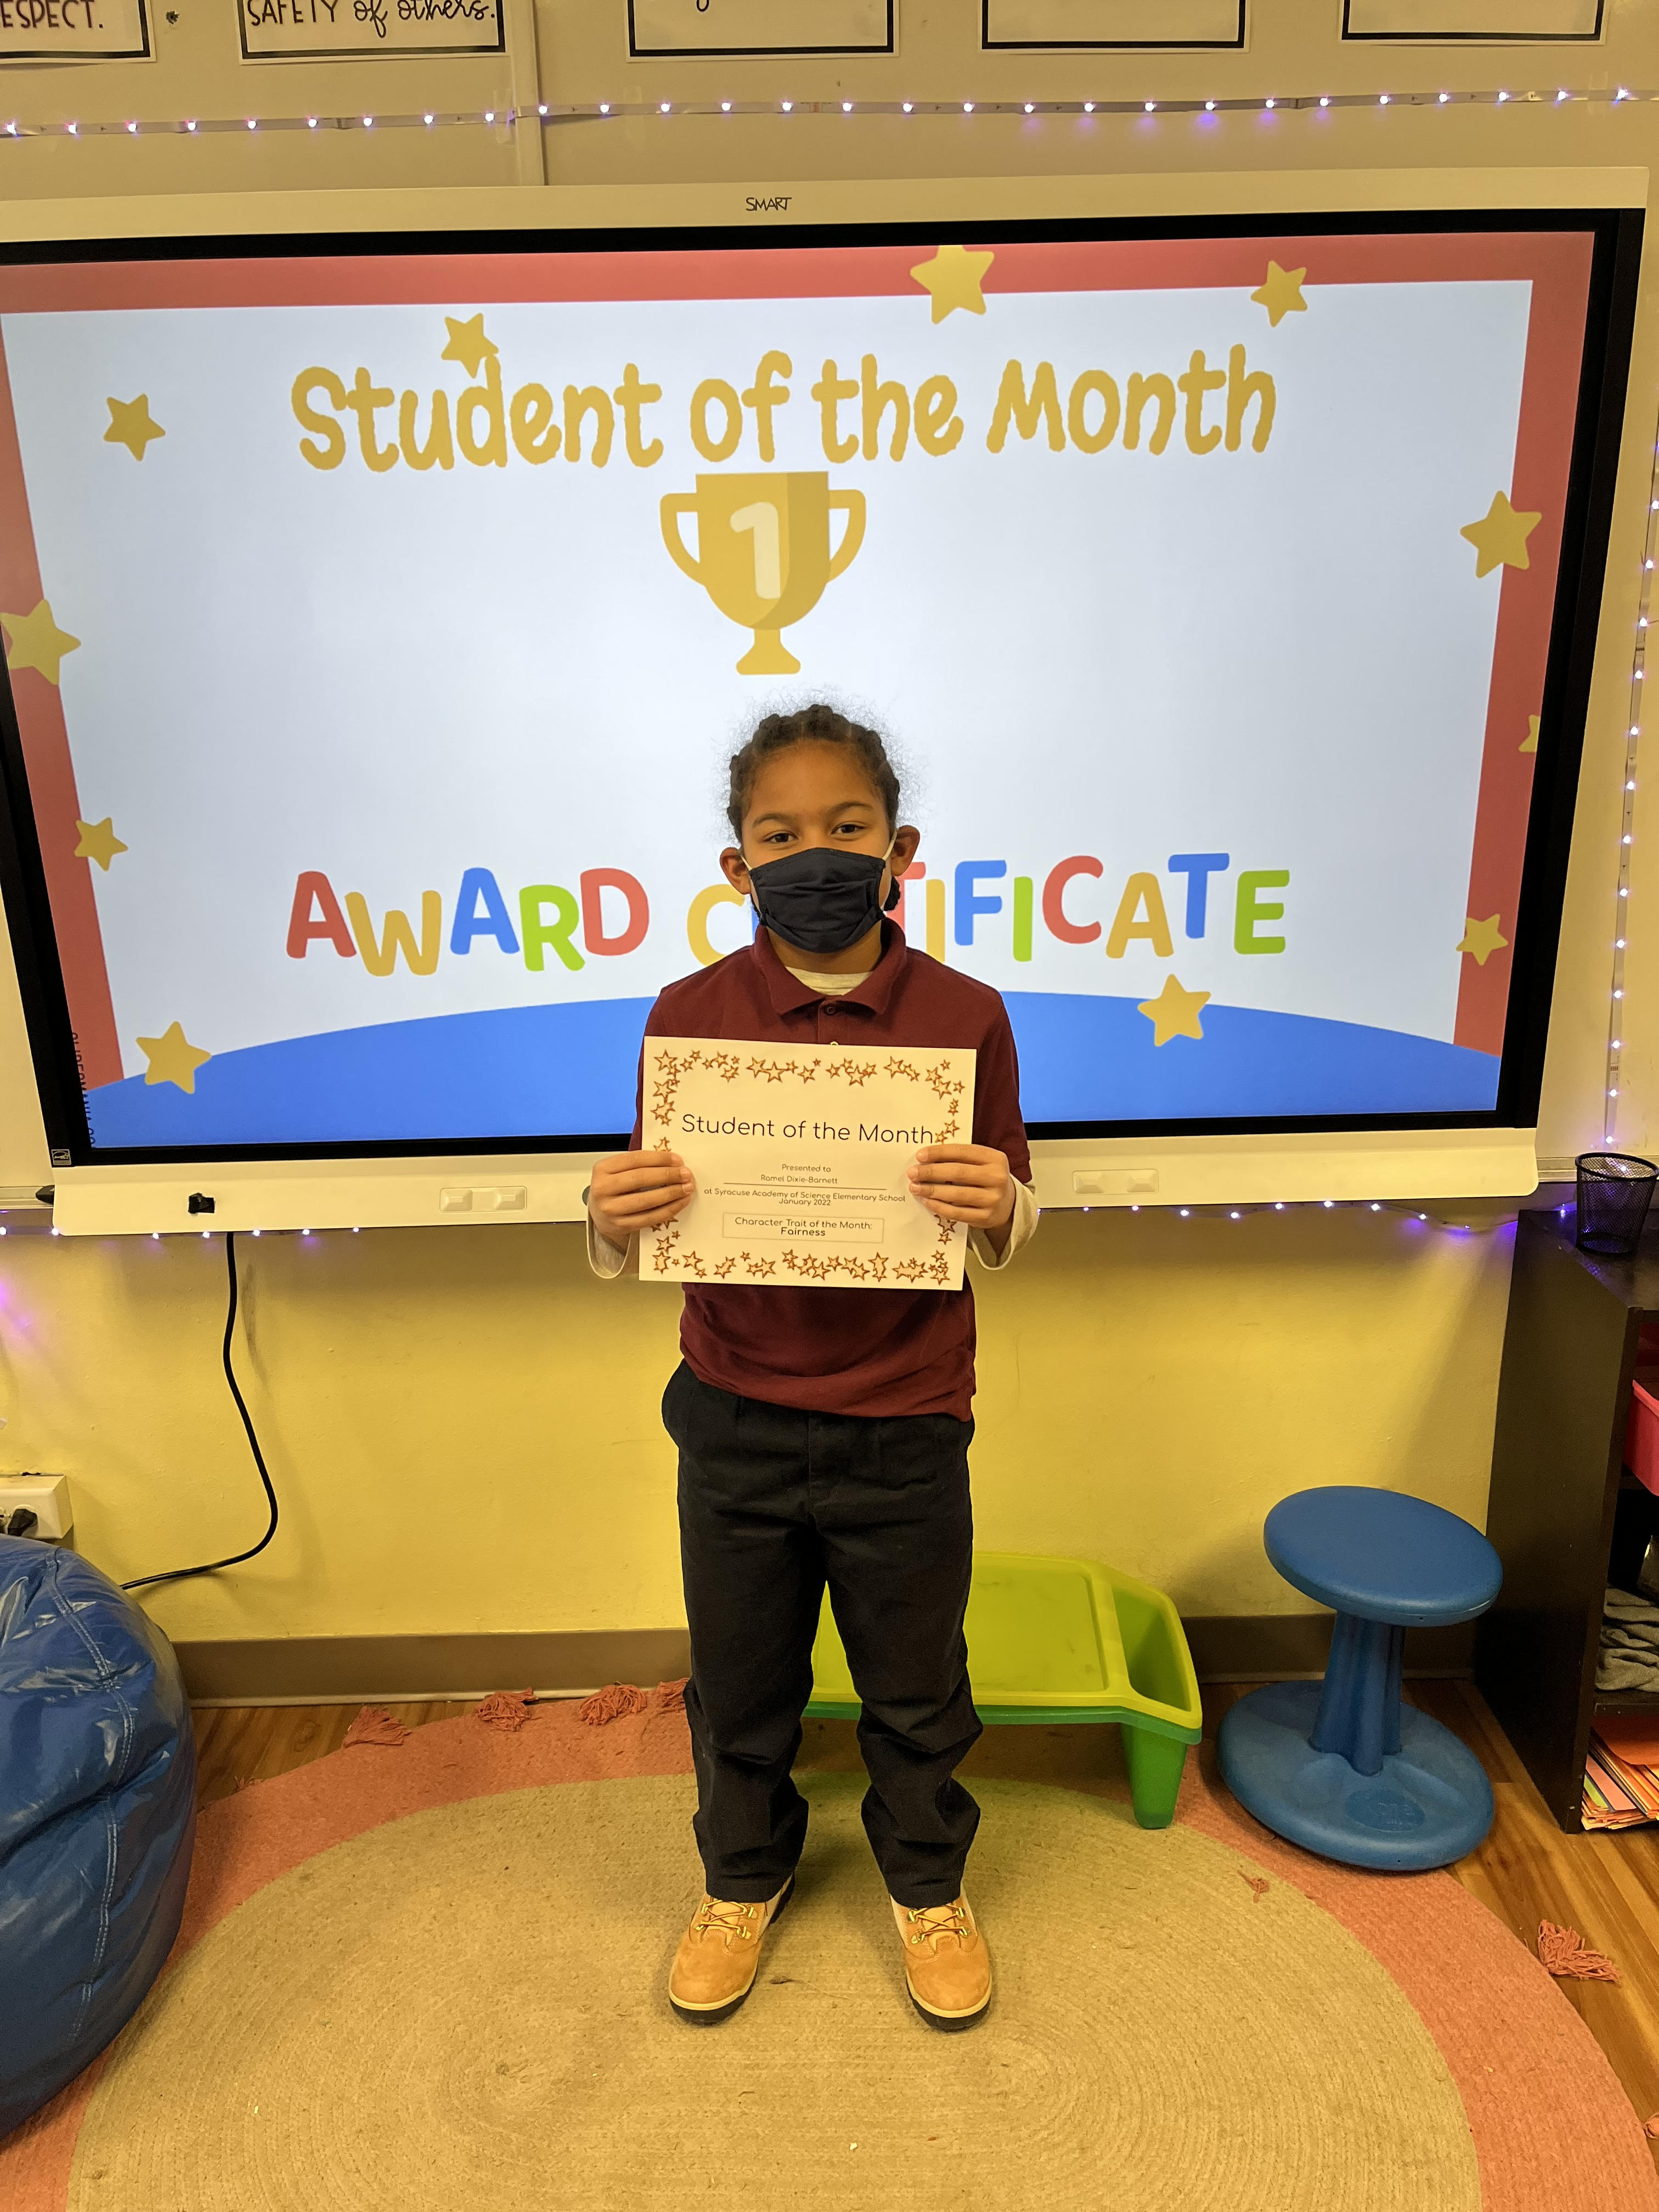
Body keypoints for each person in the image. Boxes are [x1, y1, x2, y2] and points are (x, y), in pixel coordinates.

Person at [586, 702, 1039, 2031]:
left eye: (848, 827)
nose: (816, 855)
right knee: (740, 1682)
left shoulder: (967, 1015)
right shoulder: (691, 1017)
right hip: (731, 1416)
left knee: (918, 1685)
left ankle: (927, 1884)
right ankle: (743, 1876)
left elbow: (1011, 1208)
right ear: (737, 864)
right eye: (780, 836)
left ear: (901, 849)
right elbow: (651, 1216)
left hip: (909, 1420)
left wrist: (1000, 1204)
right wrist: (608, 1221)